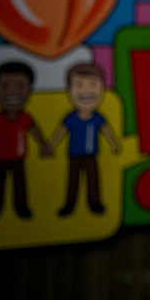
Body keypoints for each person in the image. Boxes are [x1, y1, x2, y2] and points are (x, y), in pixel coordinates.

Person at [0, 62, 49, 222]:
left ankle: (21, 207)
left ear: (30, 90)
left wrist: (43, 145)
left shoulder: (25, 118)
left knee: (20, 185)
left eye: (21, 86)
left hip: (19, 158)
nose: (13, 92)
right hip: (0, 159)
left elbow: (35, 132)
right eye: (5, 86)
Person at [49, 63, 120, 215]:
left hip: (91, 156)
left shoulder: (97, 118)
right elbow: (61, 132)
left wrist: (114, 143)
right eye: (79, 85)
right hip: (74, 155)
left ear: (102, 89)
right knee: (73, 180)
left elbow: (106, 131)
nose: (86, 90)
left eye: (93, 84)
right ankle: (70, 204)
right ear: (69, 90)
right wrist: (52, 145)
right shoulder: (71, 118)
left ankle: (94, 202)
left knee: (93, 180)